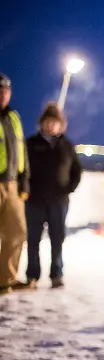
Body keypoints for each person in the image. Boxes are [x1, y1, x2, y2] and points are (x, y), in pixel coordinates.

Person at [24, 103, 82, 289]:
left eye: (55, 122)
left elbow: (77, 170)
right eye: (48, 122)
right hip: (34, 200)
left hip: (59, 201)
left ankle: (56, 273)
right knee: (33, 239)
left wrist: (69, 189)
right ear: (42, 123)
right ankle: (32, 275)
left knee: (57, 238)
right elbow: (23, 169)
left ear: (61, 124)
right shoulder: (31, 144)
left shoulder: (66, 145)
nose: (51, 126)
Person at [0, 73, 30, 295]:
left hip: (12, 183)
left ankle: (6, 279)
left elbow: (22, 151)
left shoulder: (13, 117)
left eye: (6, 90)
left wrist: (24, 180)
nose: (3, 94)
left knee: (17, 231)